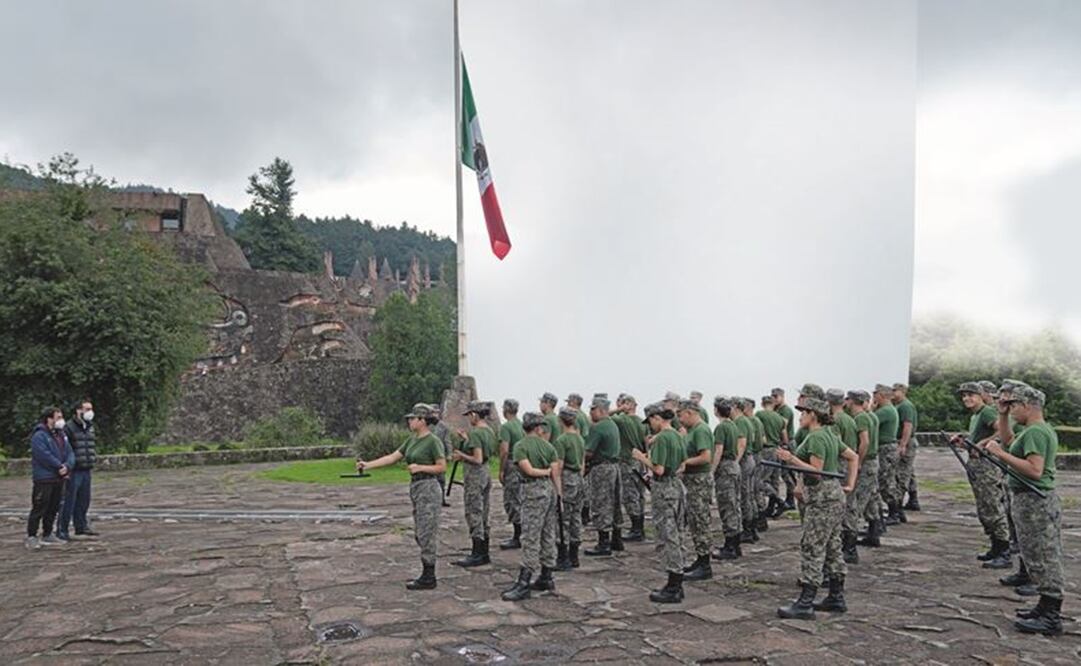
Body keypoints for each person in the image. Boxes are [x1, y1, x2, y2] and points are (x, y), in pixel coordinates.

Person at [984, 384, 1065, 636]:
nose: (1013, 410)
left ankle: (1052, 614)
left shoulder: (1036, 433)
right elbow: (1009, 441)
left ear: (1028, 406)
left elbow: (1034, 470)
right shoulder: (1031, 430)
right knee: (1033, 554)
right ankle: (1044, 605)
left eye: (1014, 405)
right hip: (1029, 500)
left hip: (1035, 501)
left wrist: (998, 454)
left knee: (1043, 555)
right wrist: (1003, 415)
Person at [776, 397, 859, 620]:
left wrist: (791, 458)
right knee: (833, 546)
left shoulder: (817, 437)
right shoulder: (830, 435)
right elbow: (853, 457)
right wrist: (849, 484)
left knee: (812, 546)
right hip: (834, 496)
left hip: (822, 499)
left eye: (803, 411)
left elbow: (816, 471)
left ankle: (806, 601)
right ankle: (836, 596)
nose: (800, 416)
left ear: (814, 414)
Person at [356, 403, 446, 590]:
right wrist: (368, 464)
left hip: (429, 487)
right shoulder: (412, 440)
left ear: (422, 420)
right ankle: (426, 572)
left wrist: (421, 467)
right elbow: (392, 457)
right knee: (420, 531)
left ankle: (429, 576)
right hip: (416, 488)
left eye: (413, 418)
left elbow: (441, 467)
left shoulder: (433, 441)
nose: (410, 421)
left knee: (426, 531)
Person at [633, 402, 687, 603]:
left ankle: (674, 584)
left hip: (664, 488)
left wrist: (641, 457)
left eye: (651, 422)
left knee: (668, 535)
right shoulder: (677, 435)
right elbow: (682, 465)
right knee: (677, 533)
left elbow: (658, 469)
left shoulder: (663, 438)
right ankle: (676, 582)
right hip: (676, 485)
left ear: (657, 418)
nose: (650, 426)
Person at [502, 412, 559, 601]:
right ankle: (546, 574)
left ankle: (524, 581)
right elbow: (556, 474)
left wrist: (543, 472)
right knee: (548, 533)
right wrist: (558, 494)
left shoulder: (521, 446)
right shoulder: (549, 446)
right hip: (549, 490)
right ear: (539, 427)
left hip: (532, 490)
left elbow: (528, 470)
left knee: (530, 535)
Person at [954, 382, 1011, 569]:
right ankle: (995, 546)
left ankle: (1004, 551)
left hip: (987, 467)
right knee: (984, 508)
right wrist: (965, 441)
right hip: (976, 466)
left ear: (981, 396)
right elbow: (977, 440)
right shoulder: (976, 415)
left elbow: (1001, 433)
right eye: (964, 395)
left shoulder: (986, 412)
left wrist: (983, 443)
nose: (966, 399)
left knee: (993, 506)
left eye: (971, 395)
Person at [453, 401, 496, 567]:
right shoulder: (489, 431)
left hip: (475, 474)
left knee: (474, 511)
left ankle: (477, 552)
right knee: (484, 511)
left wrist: (461, 456)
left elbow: (477, 458)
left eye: (469, 415)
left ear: (475, 415)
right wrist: (466, 439)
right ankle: (484, 551)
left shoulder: (477, 433)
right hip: (486, 472)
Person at [26, 407, 74, 549]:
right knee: (39, 507)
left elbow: (70, 452)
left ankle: (48, 533)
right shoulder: (39, 436)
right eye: (58, 417)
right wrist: (59, 466)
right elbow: (43, 455)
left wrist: (67, 465)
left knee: (53, 507)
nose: (61, 420)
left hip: (58, 479)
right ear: (49, 419)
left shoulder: (61, 434)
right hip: (44, 478)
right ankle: (32, 535)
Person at [678, 398, 715, 581]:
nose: (680, 419)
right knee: (694, 521)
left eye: (681, 415)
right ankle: (700, 560)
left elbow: (706, 457)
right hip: (692, 480)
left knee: (701, 522)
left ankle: (705, 564)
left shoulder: (701, 430)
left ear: (690, 413)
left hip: (699, 481)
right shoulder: (692, 430)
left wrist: (685, 462)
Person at [583, 396, 624, 555]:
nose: (590, 413)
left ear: (600, 410)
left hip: (601, 468)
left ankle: (603, 542)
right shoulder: (612, 425)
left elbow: (589, 452)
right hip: (614, 467)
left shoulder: (598, 427)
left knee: (601, 503)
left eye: (592, 409)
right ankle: (617, 538)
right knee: (614, 503)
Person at [59, 399, 98, 540]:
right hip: (74, 469)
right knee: (69, 500)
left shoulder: (89, 426)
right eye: (86, 409)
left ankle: (81, 526)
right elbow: (65, 448)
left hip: (86, 467)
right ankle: (62, 530)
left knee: (84, 499)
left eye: (91, 408)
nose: (90, 412)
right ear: (78, 410)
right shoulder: (69, 427)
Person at [845, 390, 878, 557]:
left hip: (866, 463)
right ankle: (873, 533)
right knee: (870, 498)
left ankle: (850, 547)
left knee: (857, 504)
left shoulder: (861, 417)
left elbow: (865, 441)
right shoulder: (867, 415)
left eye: (848, 399)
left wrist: (857, 461)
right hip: (871, 462)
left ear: (852, 401)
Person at [552, 406, 585, 570]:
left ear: (560, 420)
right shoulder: (579, 438)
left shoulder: (562, 440)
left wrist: (558, 490)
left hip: (567, 479)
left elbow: (558, 467)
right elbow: (583, 462)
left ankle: (563, 556)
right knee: (576, 517)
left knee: (563, 518)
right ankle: (574, 555)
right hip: (579, 478)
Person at [711, 396, 744, 560]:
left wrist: (712, 471)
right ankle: (735, 544)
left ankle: (730, 546)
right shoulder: (733, 425)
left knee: (727, 506)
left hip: (725, 467)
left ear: (716, 410)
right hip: (734, 466)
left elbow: (718, 450)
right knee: (734, 505)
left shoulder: (721, 427)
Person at [612, 395, 647, 542]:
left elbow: (602, 416)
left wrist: (618, 409)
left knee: (630, 495)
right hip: (639, 460)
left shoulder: (623, 420)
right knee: (640, 495)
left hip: (627, 461)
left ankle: (636, 528)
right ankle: (640, 526)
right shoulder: (642, 422)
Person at [873, 384, 903, 526]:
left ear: (882, 395)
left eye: (876, 393)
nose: (874, 396)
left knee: (886, 481)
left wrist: (870, 410)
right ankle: (896, 511)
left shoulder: (885, 411)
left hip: (885, 449)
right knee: (888, 480)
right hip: (886, 448)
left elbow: (871, 421)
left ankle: (894, 513)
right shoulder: (888, 409)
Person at [497, 399, 526, 550]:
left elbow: (504, 450)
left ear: (506, 409)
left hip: (511, 464)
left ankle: (518, 536)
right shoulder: (521, 425)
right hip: (522, 464)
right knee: (519, 498)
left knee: (512, 500)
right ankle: (520, 533)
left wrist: (501, 470)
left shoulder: (506, 427)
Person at [755, 395, 788, 520]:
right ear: (773, 404)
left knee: (761, 481)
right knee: (774, 480)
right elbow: (784, 437)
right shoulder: (780, 418)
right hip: (777, 449)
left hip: (765, 449)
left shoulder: (759, 415)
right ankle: (773, 506)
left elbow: (758, 432)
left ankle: (779, 502)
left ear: (762, 404)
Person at [893, 384, 921, 512]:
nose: (893, 393)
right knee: (909, 471)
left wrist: (903, 444)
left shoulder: (905, 406)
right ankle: (913, 499)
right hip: (906, 441)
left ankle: (897, 506)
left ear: (903, 391)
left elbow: (907, 426)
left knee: (902, 473)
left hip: (906, 441)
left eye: (895, 391)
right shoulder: (900, 405)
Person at [734, 398, 758, 543]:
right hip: (750, 459)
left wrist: (735, 462)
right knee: (749, 495)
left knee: (744, 496)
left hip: (744, 461)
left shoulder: (741, 422)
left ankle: (748, 530)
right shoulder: (748, 421)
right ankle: (752, 527)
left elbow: (742, 444)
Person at [772, 388, 798, 511]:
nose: (774, 399)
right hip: (781, 443)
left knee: (788, 472)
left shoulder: (786, 410)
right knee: (783, 472)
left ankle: (791, 498)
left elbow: (783, 427)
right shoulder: (776, 409)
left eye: (776, 397)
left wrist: (785, 444)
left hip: (787, 442)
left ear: (782, 396)